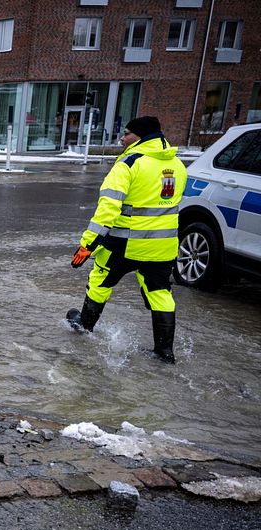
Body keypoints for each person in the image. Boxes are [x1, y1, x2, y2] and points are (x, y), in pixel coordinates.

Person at [66, 116, 187, 363]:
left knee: (99, 282)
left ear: (140, 137)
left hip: (123, 243)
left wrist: (88, 244)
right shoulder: (177, 165)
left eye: (127, 133)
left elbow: (107, 209)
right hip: (162, 247)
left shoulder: (129, 164)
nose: (122, 138)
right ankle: (164, 352)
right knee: (160, 293)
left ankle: (85, 327)